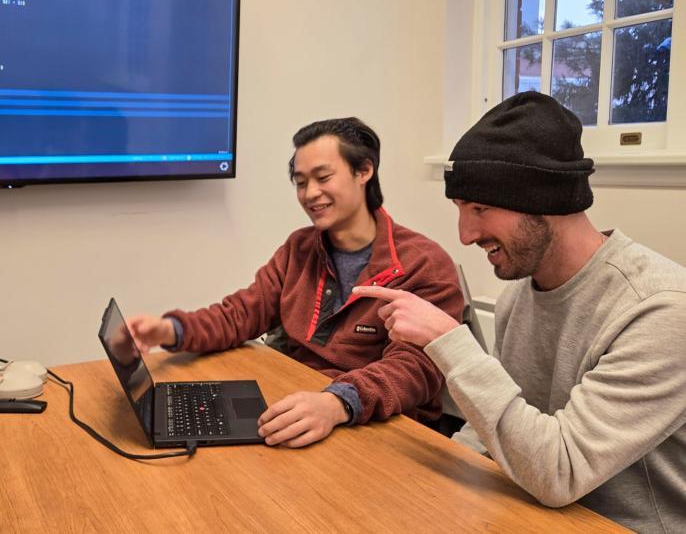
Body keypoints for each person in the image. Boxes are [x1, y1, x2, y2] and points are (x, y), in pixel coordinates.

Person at [353, 92, 686, 533]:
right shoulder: (519, 295)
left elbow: (560, 471)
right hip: (529, 510)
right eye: (460, 210)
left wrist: (449, 342)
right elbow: (499, 422)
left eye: (481, 209)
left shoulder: (660, 310)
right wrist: (426, 496)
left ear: (546, 202)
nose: (466, 234)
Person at [127, 117, 464, 448]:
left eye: (323, 177)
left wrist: (336, 403)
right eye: (301, 182)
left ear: (364, 171)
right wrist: (169, 330)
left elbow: (413, 370)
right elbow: (241, 313)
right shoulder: (300, 248)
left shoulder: (424, 264)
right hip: (301, 404)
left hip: (379, 427)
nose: (310, 194)